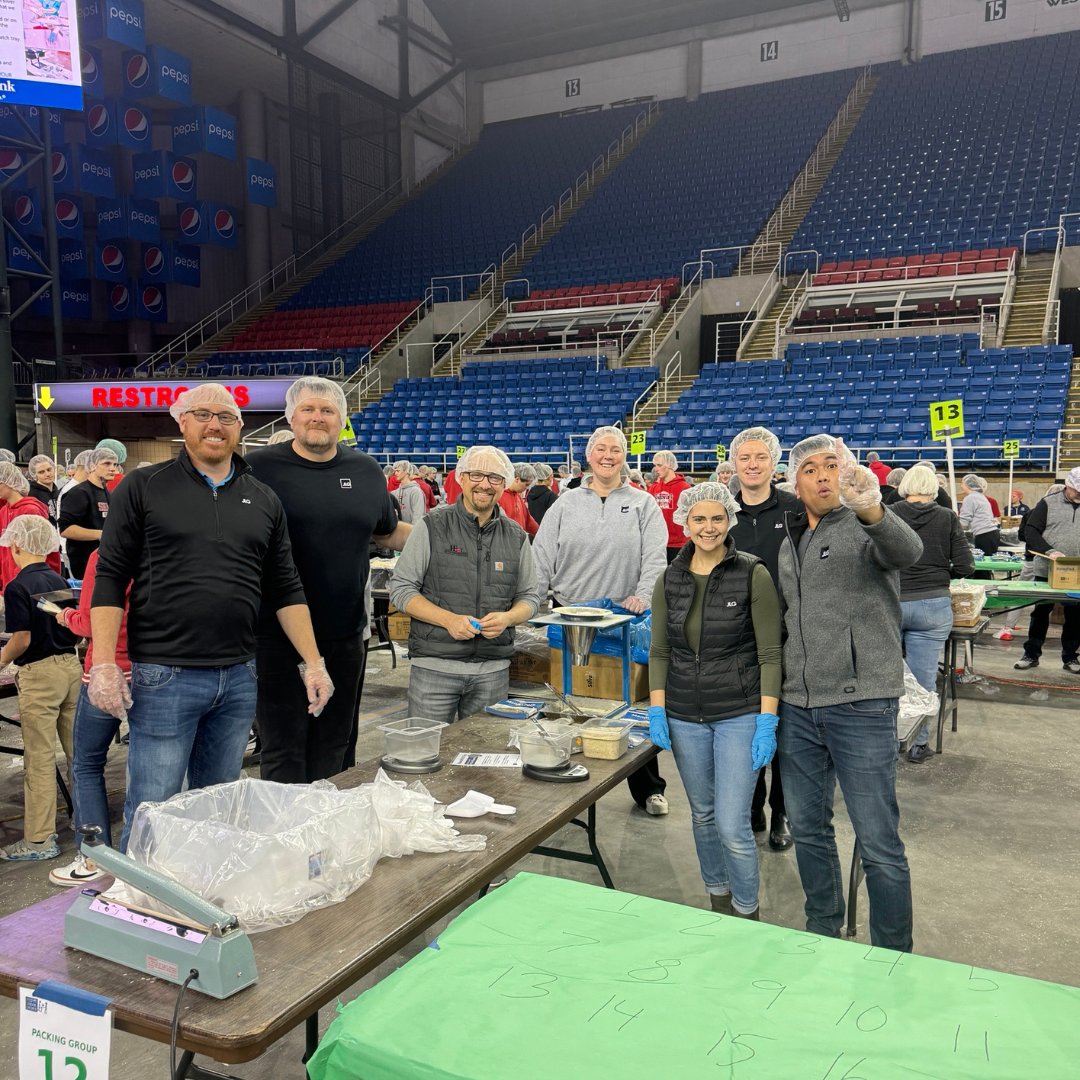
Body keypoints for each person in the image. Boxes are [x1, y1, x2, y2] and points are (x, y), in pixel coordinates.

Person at [89, 383, 334, 851]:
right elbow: (109, 577)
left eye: (226, 417)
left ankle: (201, 901)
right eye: (202, 414)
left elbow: (286, 588)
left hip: (239, 675)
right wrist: (104, 663)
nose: (214, 424)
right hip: (164, 673)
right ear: (181, 422)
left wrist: (314, 662)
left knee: (219, 805)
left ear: (241, 428)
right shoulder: (144, 486)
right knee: (153, 808)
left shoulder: (263, 498)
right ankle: (140, 906)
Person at [776, 434, 922, 952]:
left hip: (861, 703)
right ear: (794, 482)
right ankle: (823, 929)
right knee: (808, 828)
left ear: (847, 473)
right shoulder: (790, 536)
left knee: (878, 838)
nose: (821, 475)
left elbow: (908, 550)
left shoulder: (864, 527)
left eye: (830, 465)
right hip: (799, 703)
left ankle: (892, 951)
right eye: (809, 468)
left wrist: (873, 508)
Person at [248, 377, 411, 784]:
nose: (317, 417)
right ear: (291, 416)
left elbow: (386, 531)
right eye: (308, 409)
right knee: (283, 745)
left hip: (344, 633)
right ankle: (286, 838)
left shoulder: (365, 470)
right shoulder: (258, 468)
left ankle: (329, 834)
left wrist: (444, 535)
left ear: (341, 419)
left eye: (327, 410)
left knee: (336, 742)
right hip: (274, 635)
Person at [647, 483, 782, 918]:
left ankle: (748, 912)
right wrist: (656, 707)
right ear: (684, 522)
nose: (708, 528)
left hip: (738, 714)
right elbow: (660, 650)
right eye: (699, 519)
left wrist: (767, 719)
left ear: (730, 521)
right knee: (702, 816)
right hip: (685, 714)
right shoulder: (670, 577)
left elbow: (769, 653)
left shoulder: (752, 573)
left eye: (717, 518)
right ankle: (718, 900)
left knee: (732, 824)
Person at [533, 426, 670, 815]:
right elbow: (541, 556)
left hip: (622, 618)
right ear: (588, 456)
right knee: (567, 703)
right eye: (601, 449)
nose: (608, 455)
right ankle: (563, 786)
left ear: (624, 456)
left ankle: (648, 789)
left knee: (626, 705)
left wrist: (643, 596)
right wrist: (534, 601)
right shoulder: (565, 503)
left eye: (616, 450)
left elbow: (655, 559)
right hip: (569, 614)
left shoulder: (643, 504)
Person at [389, 445, 539, 723]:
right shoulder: (432, 525)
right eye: (476, 475)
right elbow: (401, 589)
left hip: (493, 671)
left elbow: (530, 597)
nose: (485, 484)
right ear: (461, 478)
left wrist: (507, 618)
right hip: (434, 668)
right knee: (425, 755)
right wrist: (448, 620)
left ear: (504, 483)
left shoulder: (516, 536)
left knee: (484, 761)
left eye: (494, 477)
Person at [728, 425, 800, 852]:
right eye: (744, 458)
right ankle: (752, 806)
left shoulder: (793, 509)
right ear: (734, 463)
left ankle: (781, 814)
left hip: (788, 639)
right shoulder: (722, 510)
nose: (752, 465)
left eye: (760, 458)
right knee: (744, 729)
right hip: (736, 640)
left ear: (774, 463)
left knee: (785, 736)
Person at [47, 547, 131, 886]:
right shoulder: (167, 547)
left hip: (107, 671)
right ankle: (143, 859)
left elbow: (90, 621)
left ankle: (93, 856)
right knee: (146, 766)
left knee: (85, 763)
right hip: (156, 670)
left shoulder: (107, 555)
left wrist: (64, 617)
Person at [0, 518, 80, 863]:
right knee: (81, 755)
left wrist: (1, 662)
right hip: (70, 668)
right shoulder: (56, 578)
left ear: (15, 546)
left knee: (40, 759)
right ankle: (89, 824)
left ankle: (39, 840)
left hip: (40, 675)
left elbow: (22, 639)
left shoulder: (17, 587)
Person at [891, 465, 975, 761]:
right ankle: (918, 744)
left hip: (892, 603)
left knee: (885, 677)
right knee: (924, 678)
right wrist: (939, 570)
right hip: (933, 605)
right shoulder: (947, 517)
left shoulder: (889, 512)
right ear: (934, 489)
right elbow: (966, 566)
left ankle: (887, 740)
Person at [1014, 467, 1080, 675]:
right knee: (1040, 612)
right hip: (1046, 569)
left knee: (1075, 615)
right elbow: (1031, 531)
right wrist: (1049, 551)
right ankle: (1031, 654)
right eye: (1077, 490)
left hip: (1076, 572)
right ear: (1068, 485)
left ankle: (1070, 657)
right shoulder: (1047, 503)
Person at [58, 447, 118, 580]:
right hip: (84, 563)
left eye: (115, 464)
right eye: (107, 463)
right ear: (92, 466)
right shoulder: (79, 493)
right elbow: (65, 529)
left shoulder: (107, 493)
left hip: (104, 560)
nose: (113, 468)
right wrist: (101, 534)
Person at [0, 461, 61, 586]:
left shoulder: (30, 510)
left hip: (30, 583)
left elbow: (37, 551)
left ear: (10, 482)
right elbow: (4, 552)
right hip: (10, 581)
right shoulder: (4, 511)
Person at [649, 450, 692, 564]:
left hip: (680, 544)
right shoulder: (653, 488)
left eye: (659, 465)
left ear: (670, 465)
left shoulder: (685, 488)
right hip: (659, 544)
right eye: (655, 465)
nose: (656, 469)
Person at [958, 474, 999, 559]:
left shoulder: (970, 498)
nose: (961, 486)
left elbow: (964, 522)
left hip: (984, 535)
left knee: (982, 567)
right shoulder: (980, 496)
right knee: (987, 565)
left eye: (962, 483)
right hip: (991, 533)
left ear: (968, 485)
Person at [499, 463, 539, 538]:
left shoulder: (517, 496)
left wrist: (540, 533)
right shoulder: (499, 496)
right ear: (517, 479)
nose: (527, 488)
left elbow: (528, 520)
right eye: (526, 485)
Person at [27, 455, 60, 527]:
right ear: (35, 475)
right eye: (41, 472)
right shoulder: (31, 494)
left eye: (49, 469)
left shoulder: (56, 490)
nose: (47, 474)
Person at [391, 460, 427, 525]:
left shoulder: (416, 492)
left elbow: (418, 516)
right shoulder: (394, 493)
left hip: (411, 532)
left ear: (406, 472)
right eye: (395, 471)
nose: (395, 473)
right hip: (398, 532)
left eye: (398, 471)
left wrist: (412, 533)